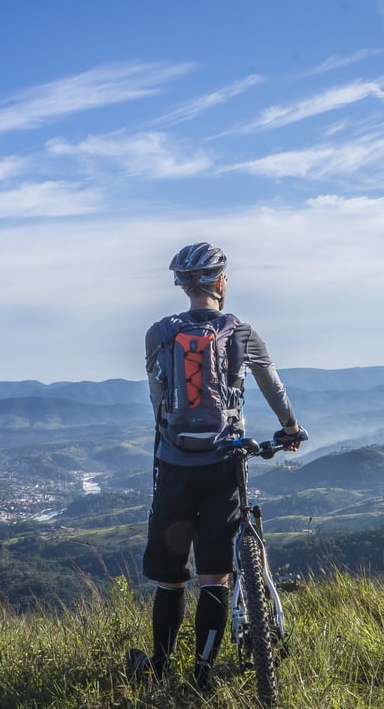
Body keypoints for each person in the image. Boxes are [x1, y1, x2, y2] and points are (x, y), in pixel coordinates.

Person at [127, 241, 304, 691]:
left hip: (173, 465)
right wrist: (289, 428)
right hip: (224, 464)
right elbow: (273, 387)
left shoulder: (158, 333)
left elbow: (156, 399)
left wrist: (171, 440)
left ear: (183, 285)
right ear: (221, 282)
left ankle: (160, 669)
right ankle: (202, 674)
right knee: (215, 577)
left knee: (170, 581)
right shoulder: (241, 331)